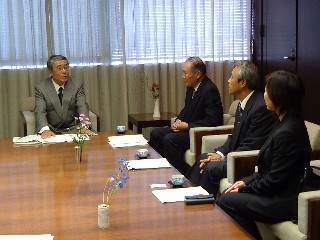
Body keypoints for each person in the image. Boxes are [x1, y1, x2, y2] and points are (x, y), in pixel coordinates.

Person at [217, 70, 312, 240]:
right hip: (275, 192)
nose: (264, 95)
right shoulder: (283, 120)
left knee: (226, 201)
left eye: (267, 91)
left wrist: (245, 188)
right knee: (228, 195)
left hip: (282, 201)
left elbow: (274, 181)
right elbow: (267, 170)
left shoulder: (288, 131)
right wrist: (245, 180)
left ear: (279, 96)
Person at [186, 60, 277, 197]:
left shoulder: (260, 108)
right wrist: (221, 154)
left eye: (232, 77)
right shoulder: (243, 102)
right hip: (235, 156)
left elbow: (252, 145)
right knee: (204, 157)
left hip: (245, 161)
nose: (228, 81)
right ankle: (187, 193)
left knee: (210, 167)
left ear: (243, 83)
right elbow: (234, 136)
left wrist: (224, 158)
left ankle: (202, 203)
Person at [149, 57, 223, 175]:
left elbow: (213, 121)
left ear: (198, 74)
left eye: (185, 73)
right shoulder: (191, 88)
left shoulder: (210, 90)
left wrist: (187, 126)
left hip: (199, 132)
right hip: (187, 130)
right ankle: (162, 169)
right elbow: (186, 109)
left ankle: (181, 175)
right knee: (156, 134)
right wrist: (178, 121)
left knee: (170, 140)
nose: (183, 77)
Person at [35, 55, 95, 139]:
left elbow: (82, 106)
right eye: (59, 68)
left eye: (66, 67)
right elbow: (40, 111)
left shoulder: (77, 84)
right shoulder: (41, 87)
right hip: (51, 130)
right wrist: (45, 130)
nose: (64, 71)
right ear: (50, 72)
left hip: (74, 129)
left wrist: (84, 126)